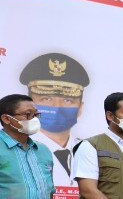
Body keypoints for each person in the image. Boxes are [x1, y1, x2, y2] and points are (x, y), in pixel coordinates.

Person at [19, 53, 89, 186]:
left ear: (80, 108)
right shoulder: (15, 147)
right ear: (29, 105)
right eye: (46, 99)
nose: (57, 107)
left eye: (68, 100)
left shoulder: (89, 149)